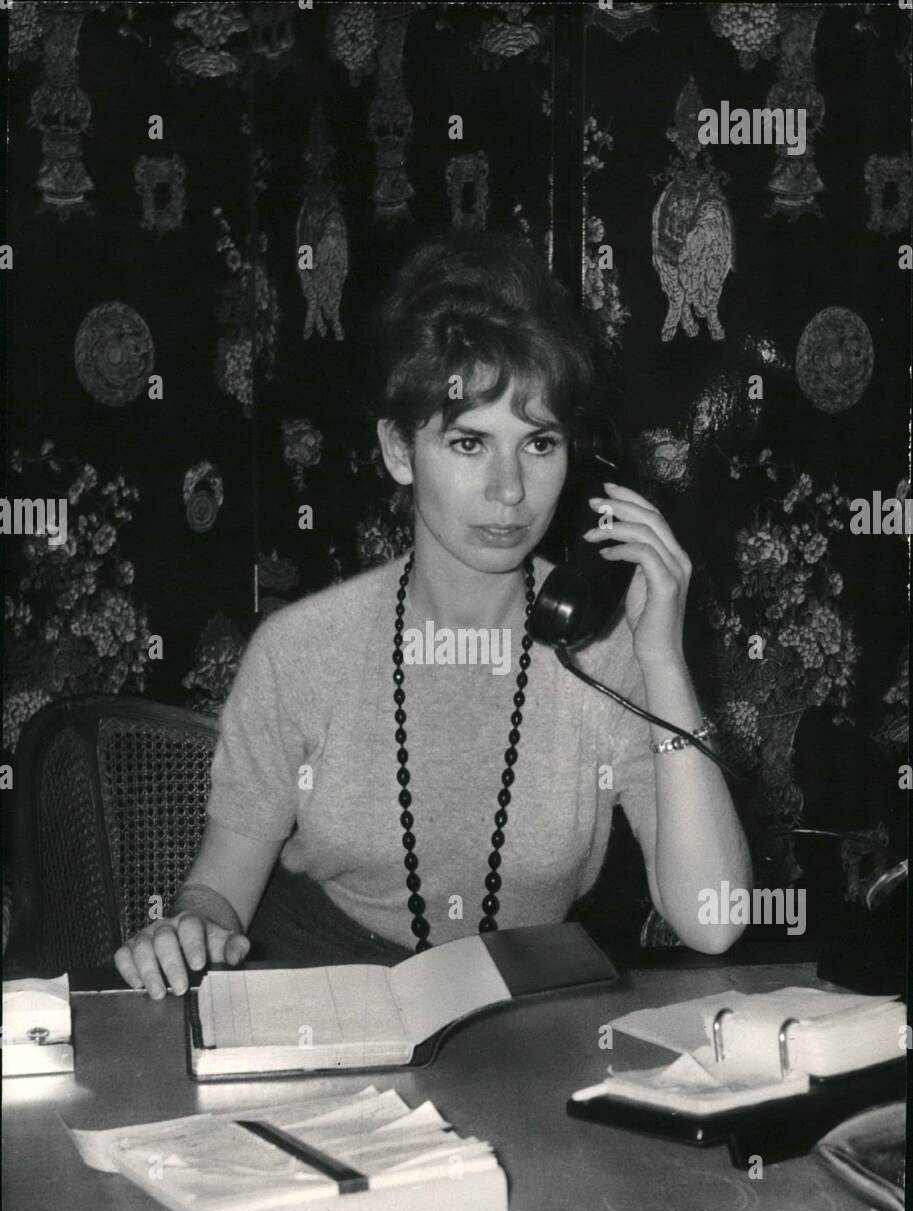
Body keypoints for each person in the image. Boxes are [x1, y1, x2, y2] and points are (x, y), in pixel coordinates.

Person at [114, 229, 752, 999]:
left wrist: (661, 660)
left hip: (520, 1026)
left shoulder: (598, 650)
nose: (510, 490)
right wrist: (185, 928)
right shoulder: (300, 651)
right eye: (467, 442)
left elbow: (712, 920)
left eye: (539, 443)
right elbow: (218, 891)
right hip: (328, 1011)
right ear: (397, 450)